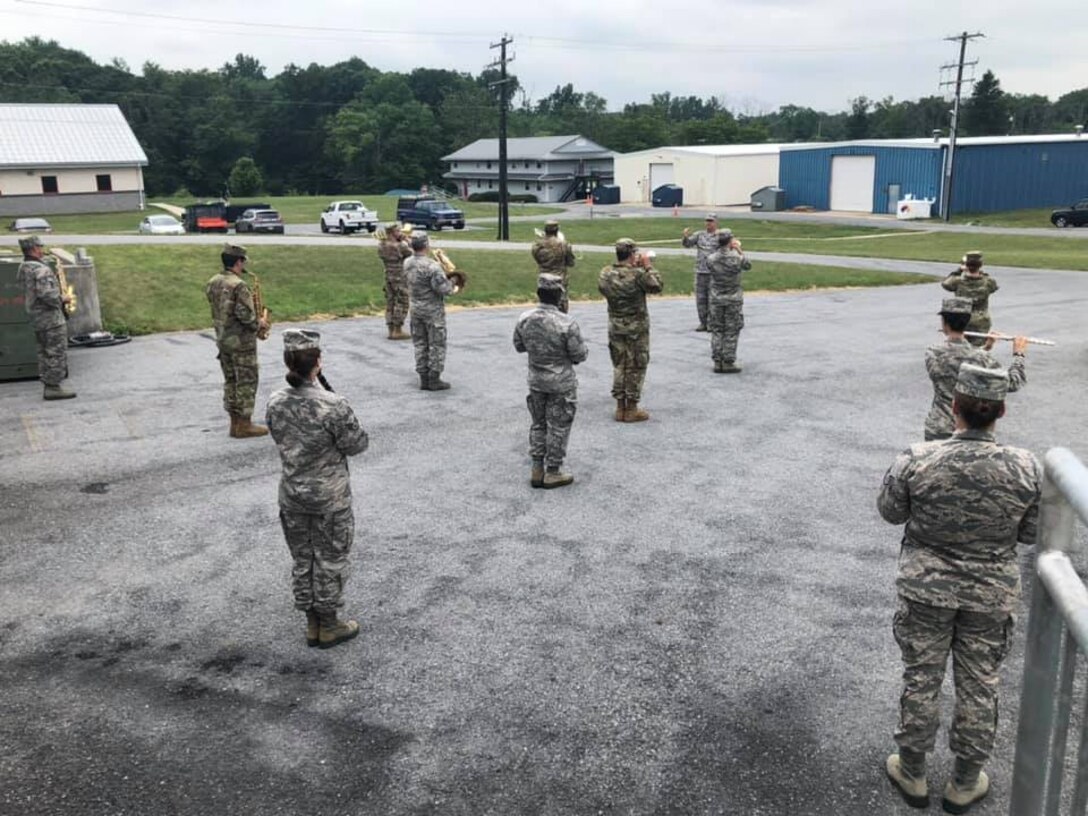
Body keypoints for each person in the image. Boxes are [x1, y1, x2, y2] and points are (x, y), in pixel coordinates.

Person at [879, 363, 1041, 814]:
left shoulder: (917, 457)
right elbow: (1030, 533)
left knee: (922, 677)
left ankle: (911, 770)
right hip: (990, 594)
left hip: (926, 589)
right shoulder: (1026, 466)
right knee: (980, 682)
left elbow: (891, 512)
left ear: (955, 406)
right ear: (1001, 411)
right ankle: (965, 781)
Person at [266, 329, 369, 650]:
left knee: (303, 558)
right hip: (329, 497)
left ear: (288, 361)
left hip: (293, 494)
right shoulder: (333, 405)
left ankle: (311, 621)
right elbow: (356, 445)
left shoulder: (275, 401)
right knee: (330, 559)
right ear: (318, 364)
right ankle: (328, 624)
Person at [513, 273, 588, 489]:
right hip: (561, 383)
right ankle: (553, 471)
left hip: (536, 380)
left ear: (539, 293)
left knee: (538, 423)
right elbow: (579, 355)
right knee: (559, 425)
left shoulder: (525, 318)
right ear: (559, 296)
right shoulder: (567, 322)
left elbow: (518, 346)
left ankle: (537, 468)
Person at [924, 297, 1027, 440]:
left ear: (944, 323)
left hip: (937, 428)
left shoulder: (932, 353)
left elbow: (958, 359)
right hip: (967, 431)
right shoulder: (981, 358)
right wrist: (1019, 355)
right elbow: (1013, 382)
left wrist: (986, 348)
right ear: (967, 322)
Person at [205, 243, 269, 437]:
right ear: (239, 262)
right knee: (247, 381)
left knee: (231, 380)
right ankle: (244, 424)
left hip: (223, 340)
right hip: (242, 343)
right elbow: (246, 316)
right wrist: (261, 323)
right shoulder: (239, 285)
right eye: (243, 261)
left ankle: (234, 423)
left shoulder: (214, 281)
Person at [598, 238, 663, 422]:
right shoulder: (639, 275)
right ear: (632, 254)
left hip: (616, 326)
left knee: (619, 365)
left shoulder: (605, 274)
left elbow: (604, 289)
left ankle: (620, 407)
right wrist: (648, 266)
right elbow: (657, 286)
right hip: (637, 328)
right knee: (636, 365)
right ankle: (632, 407)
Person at [16, 234, 75, 400]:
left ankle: (48, 383)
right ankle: (53, 386)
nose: (42, 250)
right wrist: (64, 298)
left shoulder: (24, 267)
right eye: (40, 247)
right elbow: (47, 295)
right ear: (34, 249)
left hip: (37, 318)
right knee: (56, 352)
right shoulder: (41, 269)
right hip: (51, 319)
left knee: (43, 352)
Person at [404, 232, 455, 390]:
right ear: (426, 245)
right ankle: (434, 378)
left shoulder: (407, 262)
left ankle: (423, 376)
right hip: (432, 310)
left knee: (420, 343)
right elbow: (443, 289)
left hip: (415, 307)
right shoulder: (432, 266)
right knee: (436, 344)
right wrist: (453, 281)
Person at [705, 228, 752, 374]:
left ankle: (717, 360)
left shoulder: (711, 259)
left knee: (717, 329)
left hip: (716, 298)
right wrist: (738, 249)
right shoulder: (737, 258)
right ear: (730, 241)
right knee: (731, 330)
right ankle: (728, 361)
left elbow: (711, 265)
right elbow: (748, 265)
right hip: (733, 298)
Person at [941, 252, 998, 346]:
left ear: (966, 265)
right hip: (981, 321)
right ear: (981, 265)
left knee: (959, 347)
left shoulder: (957, 281)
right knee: (978, 350)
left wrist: (959, 270)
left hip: (962, 319)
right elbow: (994, 287)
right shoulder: (988, 282)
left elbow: (945, 284)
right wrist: (981, 273)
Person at [681, 213, 720, 331]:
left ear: (716, 222)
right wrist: (685, 237)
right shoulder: (699, 235)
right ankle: (703, 322)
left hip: (714, 273)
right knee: (701, 299)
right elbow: (687, 244)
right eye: (707, 221)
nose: (708, 223)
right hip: (701, 271)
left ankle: (712, 323)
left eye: (711, 221)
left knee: (713, 299)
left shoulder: (720, 236)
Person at [530, 219, 576, 313]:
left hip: (543, 279)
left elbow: (537, 259)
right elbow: (571, 263)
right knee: (561, 310)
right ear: (557, 230)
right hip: (559, 280)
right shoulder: (563, 244)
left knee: (544, 307)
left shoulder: (537, 245)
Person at [377, 222, 412, 340]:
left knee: (390, 302)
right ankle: (398, 329)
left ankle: (390, 329)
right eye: (398, 231)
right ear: (392, 233)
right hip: (399, 276)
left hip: (388, 275)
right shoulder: (400, 246)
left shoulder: (381, 245)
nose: (400, 233)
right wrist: (407, 240)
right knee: (402, 302)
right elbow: (411, 253)